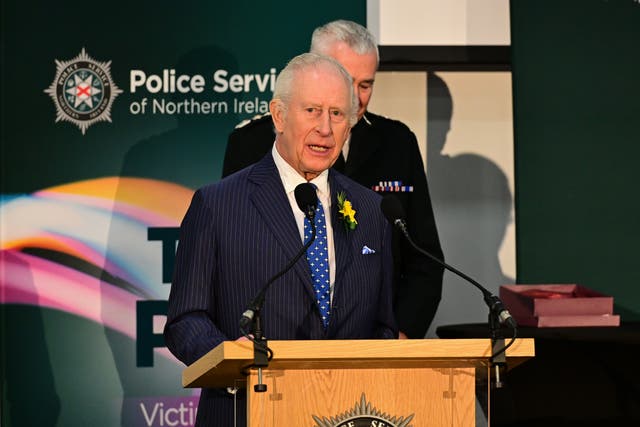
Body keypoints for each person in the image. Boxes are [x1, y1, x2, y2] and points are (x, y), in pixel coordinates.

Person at [164, 53, 398, 426]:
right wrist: (227, 355)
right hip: (247, 408)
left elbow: (383, 325)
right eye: (312, 111)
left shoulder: (371, 211)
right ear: (278, 115)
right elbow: (184, 319)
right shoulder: (218, 205)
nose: (325, 128)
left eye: (338, 114)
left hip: (350, 412)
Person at [223, 20, 444, 339]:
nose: (353, 96)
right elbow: (234, 259)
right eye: (342, 78)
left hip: (373, 347)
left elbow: (423, 257)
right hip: (278, 345)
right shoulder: (252, 144)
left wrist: (401, 337)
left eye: (365, 85)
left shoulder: (398, 143)